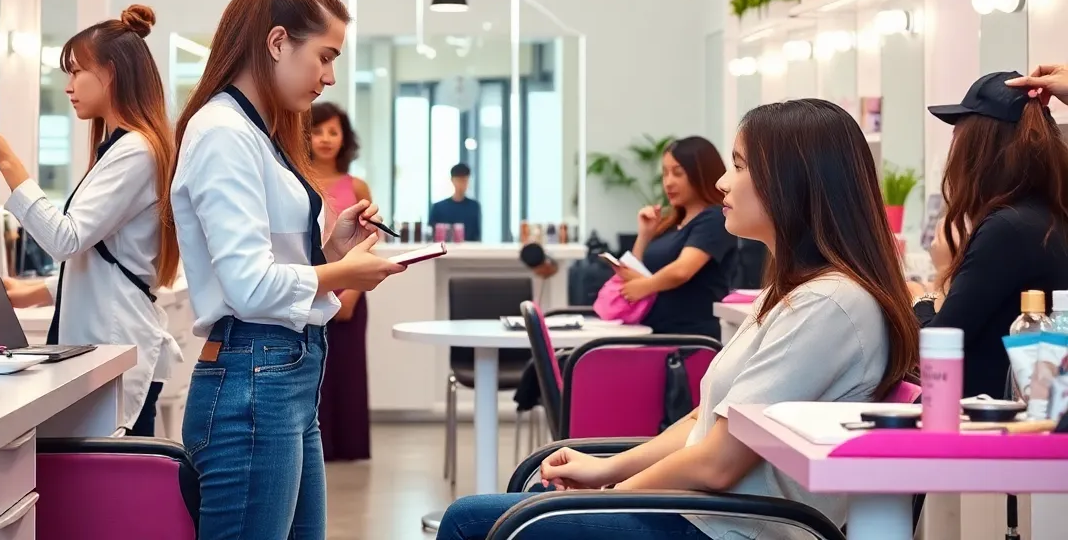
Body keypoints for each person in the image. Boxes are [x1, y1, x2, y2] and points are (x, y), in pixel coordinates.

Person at [435, 99, 920, 540]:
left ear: (792, 181)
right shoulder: (790, 293)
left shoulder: (828, 306)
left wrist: (608, 496)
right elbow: (701, 422)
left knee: (471, 522)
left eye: (739, 165)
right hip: (703, 513)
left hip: (730, 528)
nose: (722, 183)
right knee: (491, 516)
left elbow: (718, 464)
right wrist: (606, 470)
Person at [170, 0, 407, 540]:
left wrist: (333, 252)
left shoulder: (257, 133)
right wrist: (345, 275)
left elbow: (270, 268)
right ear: (278, 42)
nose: (328, 77)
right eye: (324, 57)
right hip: (254, 379)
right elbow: (250, 289)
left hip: (283, 374)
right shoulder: (222, 132)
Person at [0, 5, 181, 437]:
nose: (68, 87)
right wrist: (40, 290)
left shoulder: (136, 150)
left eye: (77, 72)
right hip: (109, 338)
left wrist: (9, 164)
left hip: (119, 341)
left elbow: (67, 239)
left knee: (109, 493)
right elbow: (108, 257)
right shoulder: (119, 148)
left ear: (112, 74)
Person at [918, 71, 1068, 398]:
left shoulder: (1008, 230)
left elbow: (937, 347)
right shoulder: (1048, 218)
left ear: (978, 150)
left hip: (989, 425)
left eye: (958, 137)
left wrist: (936, 285)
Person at [618, 136, 735, 339]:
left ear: (701, 174)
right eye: (665, 173)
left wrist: (645, 286)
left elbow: (682, 270)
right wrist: (645, 235)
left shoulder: (715, 217)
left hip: (688, 341)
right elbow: (632, 274)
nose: (668, 182)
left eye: (677, 173)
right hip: (651, 335)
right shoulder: (671, 224)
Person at [309, 101, 373, 462]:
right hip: (309, 288)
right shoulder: (295, 179)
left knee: (347, 372)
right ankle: (320, 447)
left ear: (344, 139)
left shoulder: (357, 185)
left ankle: (349, 447)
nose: (325, 138)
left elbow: (370, 242)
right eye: (317, 130)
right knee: (315, 370)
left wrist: (350, 294)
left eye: (333, 131)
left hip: (352, 295)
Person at [429, 163, 481, 241]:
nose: (462, 184)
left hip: (468, 251)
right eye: (459, 180)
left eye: (464, 180)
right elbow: (431, 235)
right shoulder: (438, 207)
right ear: (452, 180)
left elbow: (476, 236)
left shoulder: (474, 206)